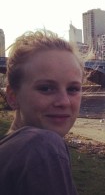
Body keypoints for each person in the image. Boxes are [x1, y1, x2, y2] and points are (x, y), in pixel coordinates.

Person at [0, 30, 83, 195]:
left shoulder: (10, 151)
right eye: (46, 88)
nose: (64, 102)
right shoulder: (43, 145)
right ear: (13, 96)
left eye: (73, 89)